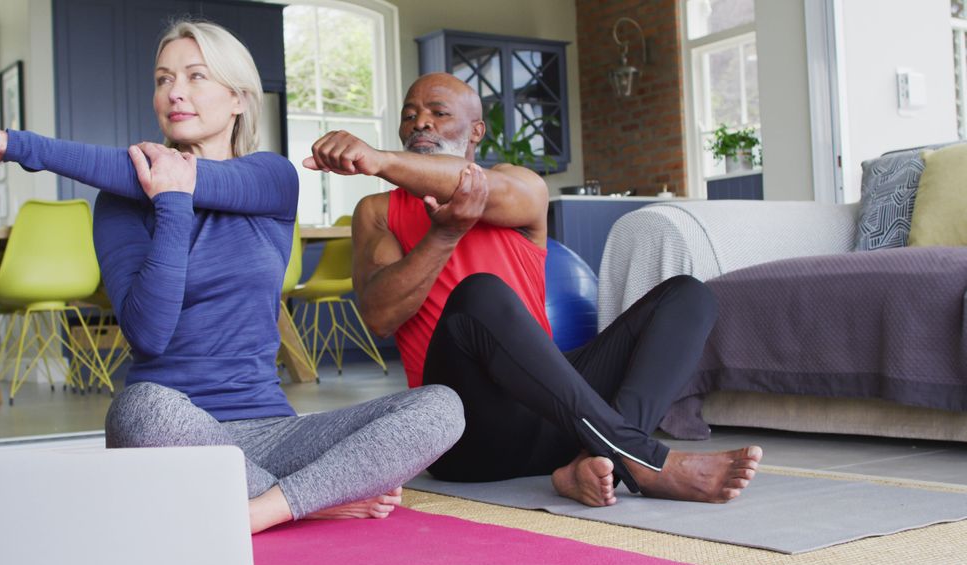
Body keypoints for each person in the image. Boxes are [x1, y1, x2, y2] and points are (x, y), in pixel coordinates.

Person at [0, 20, 463, 534]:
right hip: (177, 431)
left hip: (274, 431)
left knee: (441, 406)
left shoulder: (271, 178)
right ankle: (313, 499)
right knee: (139, 406)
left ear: (238, 98)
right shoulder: (121, 205)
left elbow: (187, 175)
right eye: (164, 79)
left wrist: (17, 146)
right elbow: (149, 335)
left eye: (197, 77)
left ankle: (261, 509)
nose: (176, 91)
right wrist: (170, 205)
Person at [304, 72, 762, 508]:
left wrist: (379, 160)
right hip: (462, 433)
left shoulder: (518, 186)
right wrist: (442, 237)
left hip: (560, 416)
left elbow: (475, 186)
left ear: (475, 131)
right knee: (477, 296)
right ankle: (638, 456)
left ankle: (598, 460)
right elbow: (380, 317)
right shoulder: (378, 210)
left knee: (688, 294)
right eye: (409, 115)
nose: (420, 122)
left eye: (438, 112)